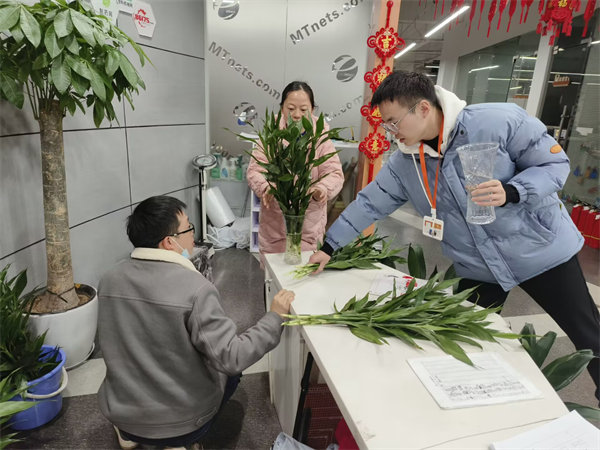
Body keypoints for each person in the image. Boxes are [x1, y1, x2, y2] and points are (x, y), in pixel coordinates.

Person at [309, 71, 600, 405]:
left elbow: (553, 163)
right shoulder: (406, 161)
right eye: (386, 124)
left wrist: (513, 191)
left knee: (588, 335)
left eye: (393, 122)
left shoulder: (497, 122)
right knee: (459, 336)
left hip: (540, 249)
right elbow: (370, 203)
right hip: (477, 264)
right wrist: (329, 246)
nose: (390, 131)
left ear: (422, 108)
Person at [97, 196, 295, 450]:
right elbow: (231, 357)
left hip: (119, 413)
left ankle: (131, 435)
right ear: (169, 242)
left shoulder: (109, 279)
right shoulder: (196, 288)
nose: (193, 234)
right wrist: (274, 317)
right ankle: (180, 442)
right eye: (188, 228)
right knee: (230, 372)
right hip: (181, 424)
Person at [247, 81, 344, 256]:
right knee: (273, 271)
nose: (297, 115)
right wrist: (266, 187)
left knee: (305, 270)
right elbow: (255, 170)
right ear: (282, 108)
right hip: (274, 227)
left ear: (312, 110)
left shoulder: (320, 138)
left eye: (303, 109)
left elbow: (334, 173)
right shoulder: (270, 135)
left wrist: (322, 188)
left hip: (308, 229)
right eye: (291, 109)